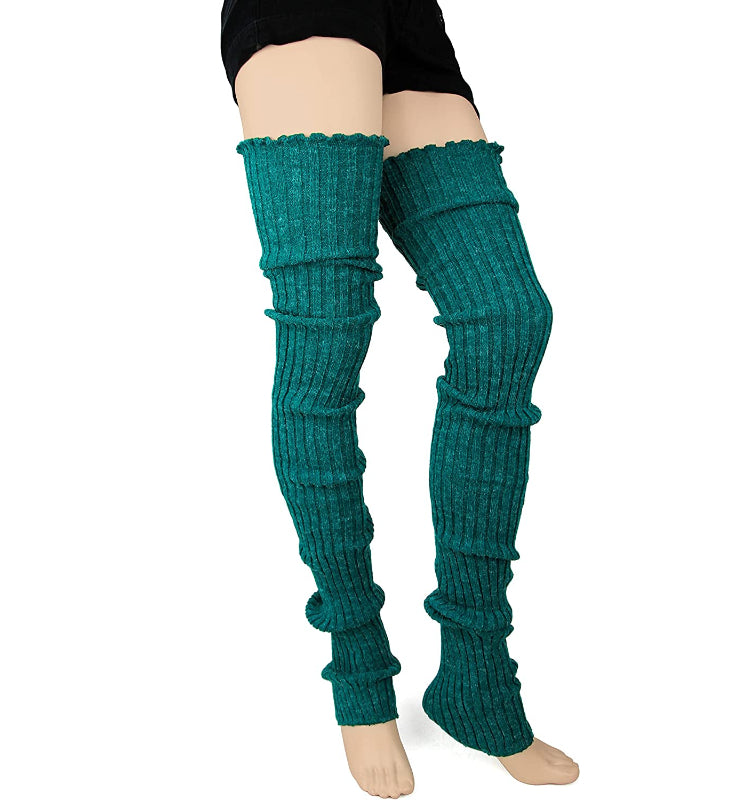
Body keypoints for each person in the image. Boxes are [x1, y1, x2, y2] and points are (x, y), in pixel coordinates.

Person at [220, 1, 579, 795]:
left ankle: (474, 674)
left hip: (410, 16)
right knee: (325, 339)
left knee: (506, 319)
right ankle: (359, 668)